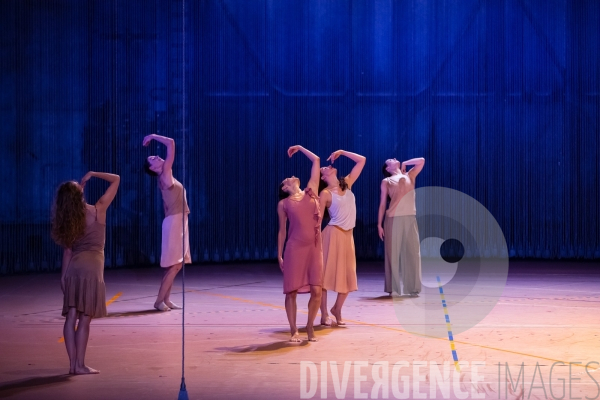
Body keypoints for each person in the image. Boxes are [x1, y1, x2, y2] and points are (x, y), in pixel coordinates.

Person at [51, 171, 120, 374]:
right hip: (91, 271)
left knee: (71, 316)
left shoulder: (70, 220)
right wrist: (92, 174)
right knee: (85, 319)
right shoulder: (98, 210)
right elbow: (116, 179)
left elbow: (68, 251)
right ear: (79, 193)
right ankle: (80, 365)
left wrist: (63, 276)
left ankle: (72, 365)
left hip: (73, 269)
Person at [277, 145, 323, 342]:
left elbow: (317, 160)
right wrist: (279, 255)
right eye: (286, 179)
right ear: (284, 188)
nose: (291, 176)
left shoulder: (310, 192)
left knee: (317, 290)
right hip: (295, 248)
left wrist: (300, 148)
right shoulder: (284, 204)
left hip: (314, 247)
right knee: (292, 290)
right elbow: (282, 231)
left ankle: (310, 325)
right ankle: (294, 329)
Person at [318, 150, 366, 326]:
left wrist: (342, 152)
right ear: (323, 176)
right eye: (324, 167)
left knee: (348, 276)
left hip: (348, 236)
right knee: (324, 277)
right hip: (333, 235)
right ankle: (323, 313)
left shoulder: (346, 183)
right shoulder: (325, 194)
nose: (328, 165)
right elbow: (317, 219)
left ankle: (336, 308)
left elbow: (362, 160)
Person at [144, 134, 191, 311]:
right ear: (153, 168)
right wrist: (153, 136)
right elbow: (171, 143)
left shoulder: (164, 178)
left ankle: (166, 299)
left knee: (175, 264)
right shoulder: (165, 174)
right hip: (175, 222)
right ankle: (158, 301)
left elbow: (166, 206)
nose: (157, 156)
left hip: (176, 221)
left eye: (155, 156)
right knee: (176, 264)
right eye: (153, 159)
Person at [377, 157, 425, 296]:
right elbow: (382, 204)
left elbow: (421, 160)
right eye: (390, 160)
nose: (395, 158)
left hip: (410, 217)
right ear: (387, 168)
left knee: (413, 253)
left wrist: (405, 164)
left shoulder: (410, 175)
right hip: (393, 218)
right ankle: (394, 288)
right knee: (393, 254)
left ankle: (413, 288)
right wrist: (379, 224)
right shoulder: (386, 181)